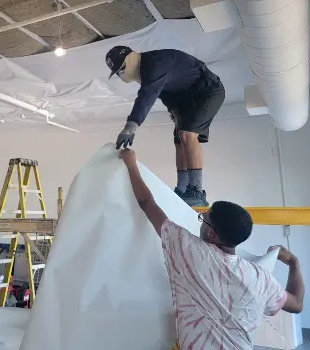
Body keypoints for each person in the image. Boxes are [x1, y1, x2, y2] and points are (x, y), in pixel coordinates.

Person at [119, 148, 304, 350]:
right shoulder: (261, 278)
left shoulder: (188, 249)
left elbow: (146, 203)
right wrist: (294, 263)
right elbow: (296, 304)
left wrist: (131, 164)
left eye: (203, 219)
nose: (201, 220)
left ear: (212, 234)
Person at [106, 46, 225, 207]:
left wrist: (130, 127)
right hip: (185, 98)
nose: (121, 76)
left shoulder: (155, 64)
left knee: (187, 134)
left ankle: (196, 190)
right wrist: (176, 114)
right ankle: (182, 189)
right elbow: (166, 96)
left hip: (207, 91)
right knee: (179, 139)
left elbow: (146, 96)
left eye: (121, 70)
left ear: (129, 60)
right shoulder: (147, 73)